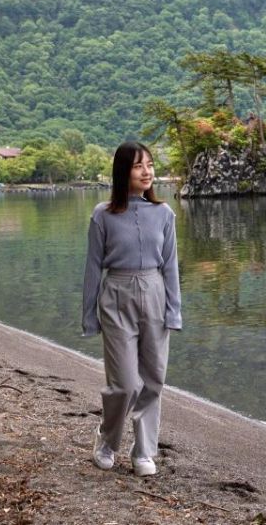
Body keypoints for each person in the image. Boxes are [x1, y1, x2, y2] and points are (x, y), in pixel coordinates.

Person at [81, 141, 182, 476]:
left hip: (154, 291)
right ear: (123, 171)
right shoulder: (103, 215)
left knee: (153, 379)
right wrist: (88, 315)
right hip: (116, 296)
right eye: (139, 166)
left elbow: (171, 267)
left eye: (150, 165)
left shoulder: (164, 214)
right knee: (124, 383)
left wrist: (174, 310)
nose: (147, 171)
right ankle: (107, 440)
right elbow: (93, 268)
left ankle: (143, 452)